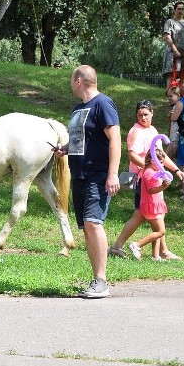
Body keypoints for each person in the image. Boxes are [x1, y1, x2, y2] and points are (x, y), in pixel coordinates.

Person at [53, 65, 120, 298]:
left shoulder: (103, 104)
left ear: (79, 81)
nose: (71, 84)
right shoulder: (78, 108)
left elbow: (115, 139)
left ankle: (101, 280)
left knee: (93, 223)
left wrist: (112, 174)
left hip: (97, 174)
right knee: (86, 229)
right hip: (78, 174)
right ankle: (96, 279)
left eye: (72, 80)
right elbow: (81, 139)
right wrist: (64, 149)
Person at [109, 100, 184, 260]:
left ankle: (160, 251)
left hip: (153, 179)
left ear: (152, 113)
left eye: (146, 114)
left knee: (156, 214)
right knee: (142, 215)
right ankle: (120, 246)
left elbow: (161, 156)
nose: (143, 118)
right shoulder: (136, 131)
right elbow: (132, 154)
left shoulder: (152, 130)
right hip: (144, 180)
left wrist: (176, 169)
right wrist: (149, 167)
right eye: (140, 115)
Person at [126, 150, 174, 261]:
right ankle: (137, 245)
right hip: (151, 206)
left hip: (156, 204)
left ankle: (155, 256)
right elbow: (151, 190)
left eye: (163, 163)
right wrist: (163, 186)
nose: (162, 165)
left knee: (156, 232)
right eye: (160, 162)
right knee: (161, 232)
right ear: (152, 161)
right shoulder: (148, 173)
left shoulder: (153, 171)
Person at [162, 1, 184, 88]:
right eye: (179, 9)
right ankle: (170, 97)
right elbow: (167, 37)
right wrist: (175, 51)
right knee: (172, 75)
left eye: (183, 9)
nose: (181, 11)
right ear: (175, 10)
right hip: (172, 53)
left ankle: (182, 97)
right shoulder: (170, 22)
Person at [164, 85, 182, 160]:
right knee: (176, 162)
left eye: (171, 96)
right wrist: (169, 117)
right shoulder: (175, 107)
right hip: (173, 138)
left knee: (164, 160)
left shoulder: (179, 107)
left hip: (176, 138)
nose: (169, 98)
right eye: (168, 96)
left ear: (178, 95)